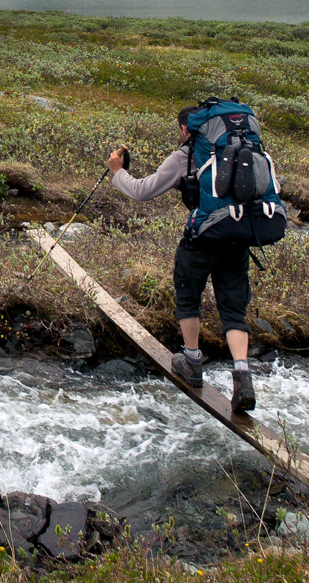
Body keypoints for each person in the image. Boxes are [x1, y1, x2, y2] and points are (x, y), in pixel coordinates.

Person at [105, 105, 257, 412]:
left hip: (200, 239)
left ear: (187, 130)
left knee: (188, 298)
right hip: (238, 239)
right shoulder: (247, 152)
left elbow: (141, 191)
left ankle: (191, 361)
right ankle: (242, 374)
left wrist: (117, 171)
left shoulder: (185, 156)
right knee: (233, 309)